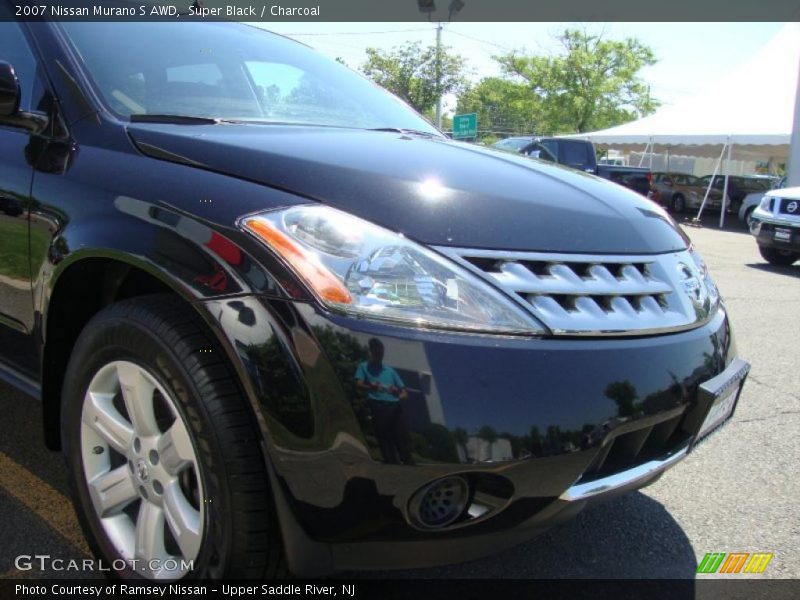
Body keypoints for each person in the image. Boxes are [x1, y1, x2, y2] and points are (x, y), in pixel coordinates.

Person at [355, 338, 413, 464]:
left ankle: (408, 462)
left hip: (395, 406)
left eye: (381, 353)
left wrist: (397, 392)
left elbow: (405, 393)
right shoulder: (364, 366)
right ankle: (391, 463)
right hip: (378, 405)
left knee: (402, 436)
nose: (379, 356)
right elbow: (358, 384)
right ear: (371, 352)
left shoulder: (390, 371)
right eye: (376, 353)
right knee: (384, 436)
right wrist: (370, 386)